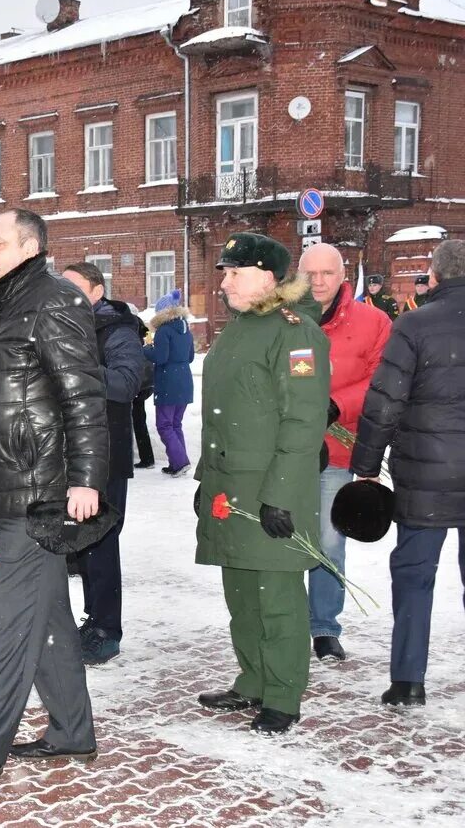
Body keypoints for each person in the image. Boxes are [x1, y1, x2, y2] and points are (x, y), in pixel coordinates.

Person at [0, 209, 106, 783]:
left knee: (9, 626)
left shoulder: (55, 300)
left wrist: (86, 479)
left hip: (39, 491)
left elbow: (82, 397)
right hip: (6, 482)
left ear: (30, 247)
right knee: (50, 620)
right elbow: (0, 388)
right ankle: (72, 732)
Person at [194, 233, 330, 735]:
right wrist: (206, 481)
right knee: (242, 594)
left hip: (272, 489)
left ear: (268, 277)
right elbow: (219, 417)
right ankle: (252, 678)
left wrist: (280, 493)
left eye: (235, 272)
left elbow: (303, 421)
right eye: (225, 272)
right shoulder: (239, 329)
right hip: (230, 488)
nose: (224, 280)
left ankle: (283, 692)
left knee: (276, 596)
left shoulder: (295, 334)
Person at [350, 240, 465, 708]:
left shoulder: (414, 324)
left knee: (415, 575)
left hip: (425, 473)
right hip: (429, 466)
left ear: (433, 277)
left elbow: (385, 401)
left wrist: (365, 466)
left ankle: (408, 680)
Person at [298, 243, 391, 663]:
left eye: (327, 273)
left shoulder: (372, 321)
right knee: (279, 536)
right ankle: (281, 619)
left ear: (342, 275)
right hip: (285, 448)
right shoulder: (284, 318)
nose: (318, 282)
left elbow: (380, 379)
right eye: (310, 273)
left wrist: (337, 405)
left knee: (328, 541)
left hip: (336, 448)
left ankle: (323, 626)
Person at [62, 261, 145, 666]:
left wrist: (75, 369)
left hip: (105, 454)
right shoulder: (66, 328)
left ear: (97, 291)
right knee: (78, 543)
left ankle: (105, 630)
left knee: (100, 542)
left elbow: (125, 384)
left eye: (75, 288)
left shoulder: (118, 329)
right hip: (68, 452)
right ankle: (90, 621)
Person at [143, 289, 195, 477]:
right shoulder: (185, 329)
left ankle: (180, 462)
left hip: (168, 381)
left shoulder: (164, 330)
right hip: (185, 380)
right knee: (175, 424)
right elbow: (190, 357)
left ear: (163, 313)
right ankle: (177, 462)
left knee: (165, 425)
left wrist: (146, 349)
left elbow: (160, 357)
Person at [131, 308, 156, 470]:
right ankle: (147, 457)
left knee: (131, 420)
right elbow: (150, 345)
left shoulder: (126, 328)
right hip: (146, 381)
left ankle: (143, 458)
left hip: (136, 381)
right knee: (139, 420)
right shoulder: (143, 329)